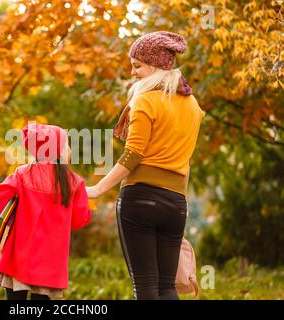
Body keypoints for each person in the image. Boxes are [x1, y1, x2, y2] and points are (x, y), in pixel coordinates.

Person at [86, 31, 204, 300]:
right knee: (167, 288)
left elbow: (133, 154)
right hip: (176, 203)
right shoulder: (193, 105)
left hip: (140, 200)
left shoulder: (145, 100)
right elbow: (185, 156)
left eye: (137, 65)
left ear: (156, 65)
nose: (132, 72)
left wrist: (98, 189)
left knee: (146, 288)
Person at [0, 123, 91, 300]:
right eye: (67, 144)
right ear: (57, 150)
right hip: (49, 265)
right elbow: (79, 221)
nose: (70, 149)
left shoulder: (22, 174)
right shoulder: (74, 182)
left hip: (18, 258)